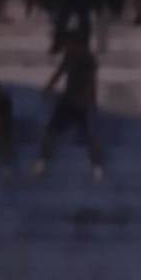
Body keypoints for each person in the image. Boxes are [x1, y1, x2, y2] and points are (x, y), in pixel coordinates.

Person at [34, 30, 105, 181]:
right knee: (50, 131)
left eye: (69, 43)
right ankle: (42, 161)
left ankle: (97, 167)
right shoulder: (70, 56)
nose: (67, 46)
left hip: (81, 102)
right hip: (68, 100)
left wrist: (91, 103)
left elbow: (91, 82)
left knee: (91, 136)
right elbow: (60, 72)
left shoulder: (88, 59)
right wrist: (49, 87)